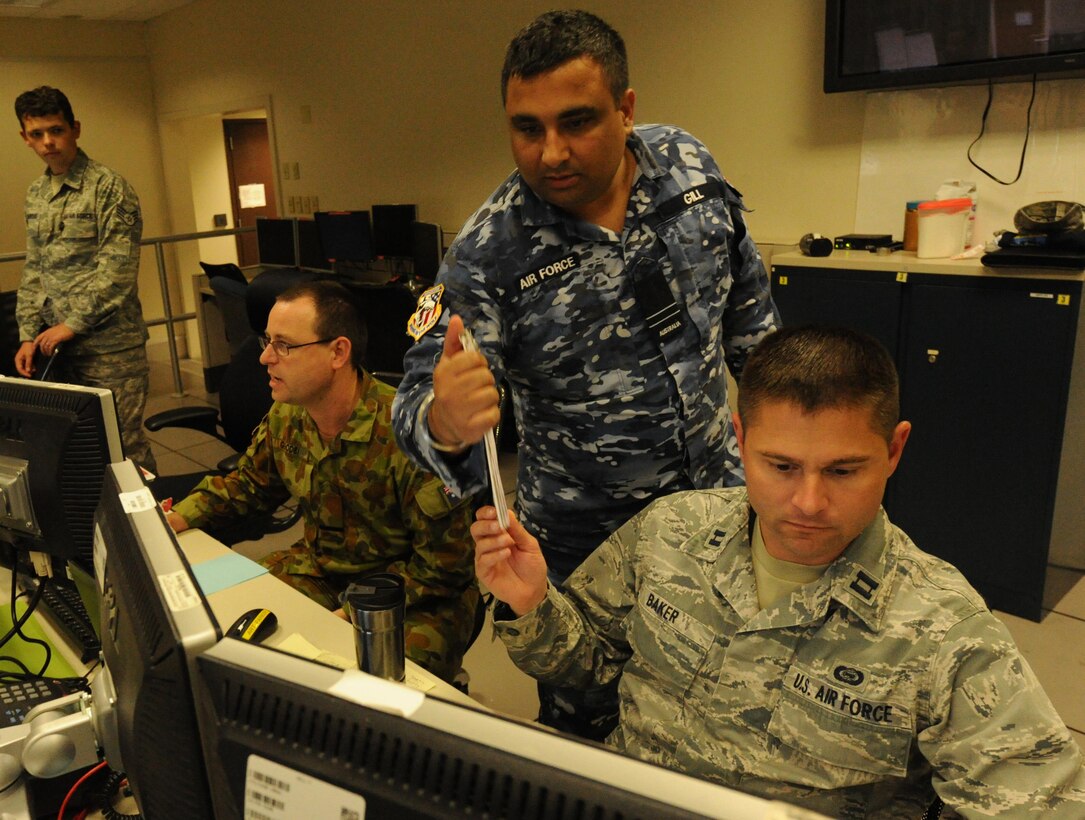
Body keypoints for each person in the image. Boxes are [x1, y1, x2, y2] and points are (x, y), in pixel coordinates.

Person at [472, 325, 1085, 818]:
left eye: (843, 471)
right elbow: (589, 665)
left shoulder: (943, 628)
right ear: (739, 440)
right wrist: (532, 606)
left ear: (895, 450)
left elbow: (1041, 805)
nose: (810, 503)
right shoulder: (670, 533)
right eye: (781, 466)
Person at [392, 8, 777, 736]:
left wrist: (786, 446)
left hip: (721, 513)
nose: (550, 152)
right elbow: (414, 403)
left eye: (576, 122)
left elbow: (750, 317)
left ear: (625, 109)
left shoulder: (688, 165)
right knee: (594, 734)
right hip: (585, 549)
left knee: (733, 709)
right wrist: (442, 417)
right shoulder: (489, 252)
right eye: (526, 129)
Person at [166, 281, 479, 683]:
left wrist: (355, 610)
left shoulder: (414, 436)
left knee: (363, 685)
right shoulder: (288, 415)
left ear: (338, 352)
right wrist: (179, 518)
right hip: (320, 569)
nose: (264, 357)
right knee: (228, 624)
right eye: (266, 340)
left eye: (284, 345)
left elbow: (444, 568)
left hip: (415, 596)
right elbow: (248, 485)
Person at [14, 86, 156, 473]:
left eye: (56, 130)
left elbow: (118, 273)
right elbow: (35, 268)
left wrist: (71, 325)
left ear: (75, 129)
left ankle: (158, 526)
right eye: (38, 134)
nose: (48, 142)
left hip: (110, 349)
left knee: (124, 449)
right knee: (81, 451)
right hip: (59, 350)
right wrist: (28, 333)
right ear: (25, 138)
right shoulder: (37, 194)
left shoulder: (108, 188)